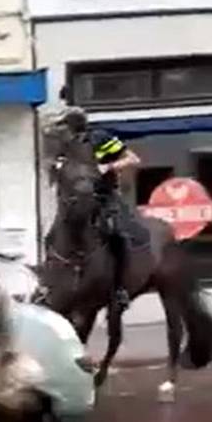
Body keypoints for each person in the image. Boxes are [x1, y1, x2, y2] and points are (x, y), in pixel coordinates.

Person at [62, 108, 141, 310]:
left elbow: (133, 159)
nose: (67, 129)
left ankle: (120, 287)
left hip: (105, 196)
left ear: (76, 124)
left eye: (68, 124)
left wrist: (110, 166)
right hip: (78, 198)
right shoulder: (70, 145)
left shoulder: (101, 138)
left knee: (116, 232)